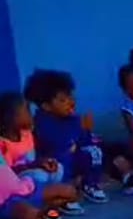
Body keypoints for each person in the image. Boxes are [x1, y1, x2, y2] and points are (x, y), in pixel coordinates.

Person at [24, 69, 109, 202]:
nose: (71, 102)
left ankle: (90, 184)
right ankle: (64, 192)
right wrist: (79, 129)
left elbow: (83, 141)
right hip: (54, 165)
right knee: (61, 159)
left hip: (73, 161)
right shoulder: (41, 122)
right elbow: (57, 145)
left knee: (94, 151)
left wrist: (87, 131)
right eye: (63, 100)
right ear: (46, 106)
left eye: (71, 97)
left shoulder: (73, 118)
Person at [0, 90, 84, 216]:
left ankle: (52, 201)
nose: (31, 114)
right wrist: (32, 166)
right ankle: (46, 204)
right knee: (39, 175)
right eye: (26, 110)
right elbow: (10, 174)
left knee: (57, 169)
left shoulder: (26, 135)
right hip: (21, 182)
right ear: (11, 118)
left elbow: (32, 157)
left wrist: (42, 162)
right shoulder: (3, 144)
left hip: (31, 177)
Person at [0, 155, 45, 219]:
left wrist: (36, 164)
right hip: (6, 203)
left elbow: (13, 168)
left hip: (23, 188)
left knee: (68, 192)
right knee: (30, 214)